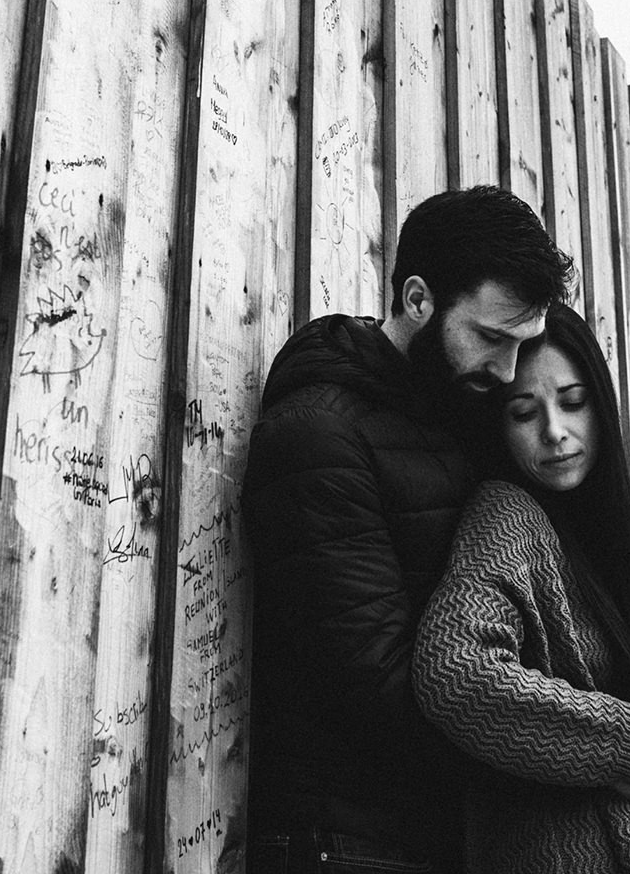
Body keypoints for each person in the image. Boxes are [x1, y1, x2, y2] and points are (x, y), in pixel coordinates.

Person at [243, 186, 574, 874]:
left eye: (523, 346)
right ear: (418, 299)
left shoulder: (458, 418)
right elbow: (377, 688)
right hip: (345, 846)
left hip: (435, 839)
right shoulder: (318, 434)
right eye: (491, 338)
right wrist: (580, 753)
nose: (507, 371)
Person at [413, 301, 630, 874]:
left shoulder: (599, 543)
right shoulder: (507, 516)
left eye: (573, 402)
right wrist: (624, 745)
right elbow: (455, 673)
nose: (554, 432)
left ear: (600, 407)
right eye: (523, 413)